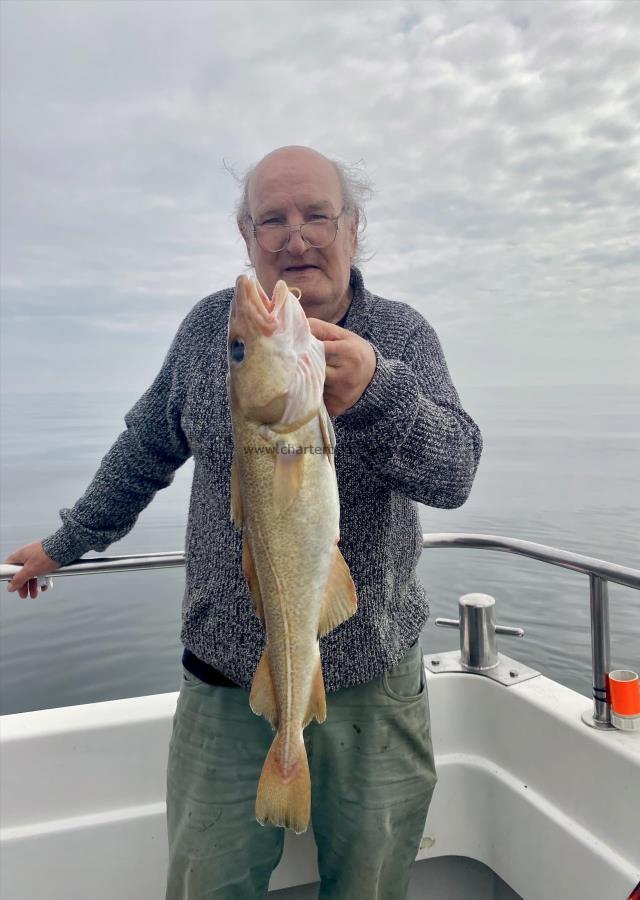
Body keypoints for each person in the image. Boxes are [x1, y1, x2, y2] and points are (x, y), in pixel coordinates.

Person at [5, 146, 483, 899]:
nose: (294, 237)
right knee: (207, 882)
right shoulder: (209, 330)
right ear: (246, 234)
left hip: (372, 673)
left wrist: (374, 395)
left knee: (372, 883)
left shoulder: (401, 335)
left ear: (352, 227)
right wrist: (65, 543)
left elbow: (453, 474)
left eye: (315, 215)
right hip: (224, 674)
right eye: (271, 220)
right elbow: (143, 450)